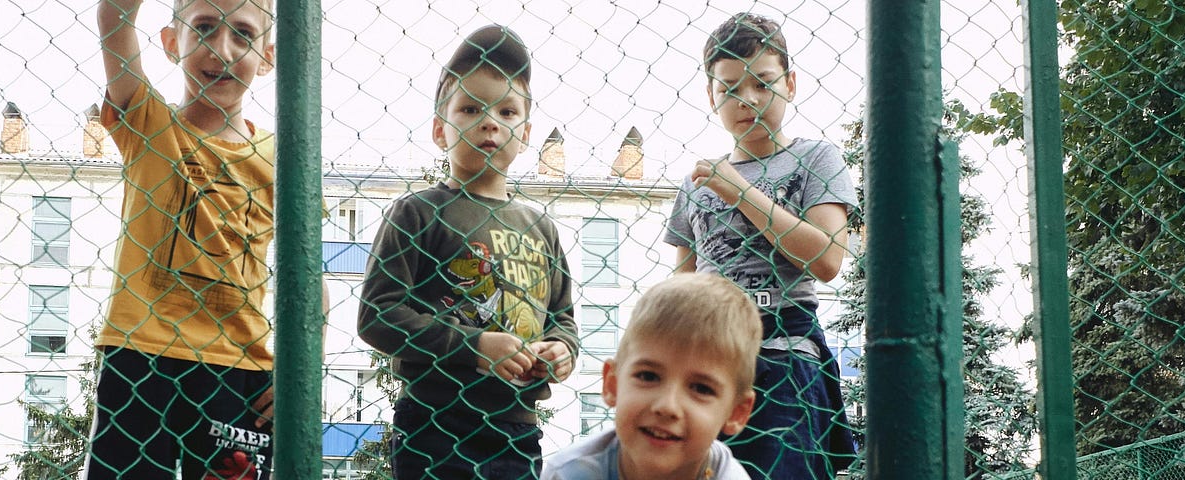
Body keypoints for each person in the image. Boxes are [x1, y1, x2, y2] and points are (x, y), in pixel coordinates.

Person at [358, 24, 578, 480]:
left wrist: (561, 350)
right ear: (441, 130)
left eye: (507, 111)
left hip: (517, 428)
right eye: (471, 108)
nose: (491, 122)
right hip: (435, 421)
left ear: (527, 131)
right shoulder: (417, 212)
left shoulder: (541, 226)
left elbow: (563, 316)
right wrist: (474, 346)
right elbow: (377, 315)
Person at [89, 0, 284, 477]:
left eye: (242, 33)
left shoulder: (282, 156)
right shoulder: (148, 122)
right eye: (204, 28)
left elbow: (308, 273)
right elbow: (113, 18)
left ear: (268, 56)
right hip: (142, 354)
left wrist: (301, 365)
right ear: (172, 42)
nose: (222, 47)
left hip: (240, 366)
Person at [662, 12, 859, 480]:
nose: (747, 99)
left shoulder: (816, 158)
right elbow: (681, 281)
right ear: (711, 96)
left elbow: (827, 259)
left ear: (790, 83)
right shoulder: (694, 186)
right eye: (729, 87)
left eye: (762, 83)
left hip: (783, 351)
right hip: (706, 359)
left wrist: (738, 192)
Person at [542, 273, 760, 480]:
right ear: (612, 384)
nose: (667, 406)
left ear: (736, 412)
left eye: (701, 389)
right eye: (648, 376)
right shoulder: (569, 473)